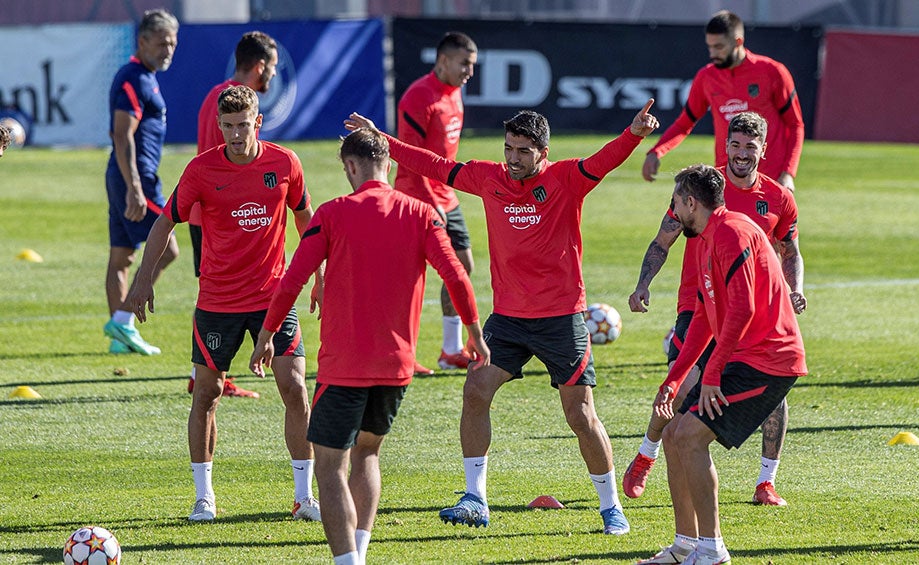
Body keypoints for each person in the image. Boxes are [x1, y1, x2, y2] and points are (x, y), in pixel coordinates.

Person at [345, 98, 661, 536]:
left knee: (580, 415)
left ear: (542, 154)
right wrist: (384, 140)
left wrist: (634, 135)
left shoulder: (566, 179)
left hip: (561, 317)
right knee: (475, 389)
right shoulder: (488, 176)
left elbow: (603, 161)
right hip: (509, 319)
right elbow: (435, 165)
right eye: (509, 148)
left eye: (523, 151)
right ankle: (475, 497)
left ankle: (610, 508)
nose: (512, 159)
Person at [248, 127, 490, 565]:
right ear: (390, 166)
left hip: (344, 366)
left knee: (328, 467)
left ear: (351, 166)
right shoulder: (421, 213)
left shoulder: (333, 213)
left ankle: (348, 561)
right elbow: (456, 274)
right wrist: (473, 333)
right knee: (368, 453)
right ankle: (359, 551)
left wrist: (266, 335)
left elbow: (292, 280)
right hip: (397, 367)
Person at [123, 85, 320, 523]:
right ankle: (204, 497)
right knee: (207, 394)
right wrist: (142, 280)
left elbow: (307, 219)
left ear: (258, 123)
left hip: (274, 297)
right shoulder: (200, 170)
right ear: (219, 125)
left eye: (242, 125)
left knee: (295, 388)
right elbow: (164, 223)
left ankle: (304, 497)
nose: (234, 134)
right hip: (218, 301)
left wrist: (319, 275)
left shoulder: (285, 163)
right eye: (227, 126)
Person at [624, 112, 804, 507]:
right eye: (735, 145)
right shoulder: (702, 191)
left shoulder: (777, 198)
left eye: (749, 146)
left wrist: (795, 290)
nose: (741, 153)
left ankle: (765, 482)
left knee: (773, 396)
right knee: (682, 386)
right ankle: (647, 453)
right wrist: (643, 283)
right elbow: (662, 241)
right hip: (699, 305)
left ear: (763, 150)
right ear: (726, 146)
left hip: (748, 316)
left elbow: (789, 251)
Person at [637, 164, 806, 565]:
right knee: (676, 431)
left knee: (690, 437)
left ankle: (712, 551)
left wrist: (711, 375)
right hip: (745, 356)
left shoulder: (731, 233)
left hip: (769, 361)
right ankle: (684, 546)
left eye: (676, 202)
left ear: (691, 202)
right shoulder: (710, 236)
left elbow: (743, 309)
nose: (673, 211)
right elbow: (702, 313)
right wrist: (674, 379)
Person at [186, 30, 280, 399]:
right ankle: (210, 373)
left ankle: (206, 373)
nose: (272, 74)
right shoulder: (237, 104)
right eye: (271, 67)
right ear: (258, 66)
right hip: (219, 215)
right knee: (220, 297)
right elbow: (223, 164)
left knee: (215, 295)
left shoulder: (216, 96)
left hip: (207, 213)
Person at [641, 10, 804, 191]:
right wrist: (657, 151)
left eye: (719, 47)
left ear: (738, 42)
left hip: (770, 182)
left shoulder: (773, 72)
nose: (712, 53)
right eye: (710, 47)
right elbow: (684, 123)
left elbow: (795, 125)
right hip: (726, 182)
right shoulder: (706, 77)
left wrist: (788, 173)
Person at [395, 31, 478, 375]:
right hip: (415, 196)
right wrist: (431, 202)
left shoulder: (455, 91)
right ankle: (402, 354)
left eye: (472, 65)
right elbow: (412, 158)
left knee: (463, 267)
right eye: (465, 64)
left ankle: (450, 349)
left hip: (446, 196)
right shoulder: (418, 96)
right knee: (409, 279)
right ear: (443, 60)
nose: (469, 72)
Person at [102, 9, 180, 356]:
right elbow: (123, 134)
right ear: (143, 41)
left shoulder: (144, 76)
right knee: (168, 249)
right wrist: (134, 187)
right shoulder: (134, 77)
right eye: (162, 42)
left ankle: (121, 339)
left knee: (121, 257)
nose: (168, 50)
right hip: (137, 178)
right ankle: (123, 321)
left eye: (173, 43)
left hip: (124, 175)